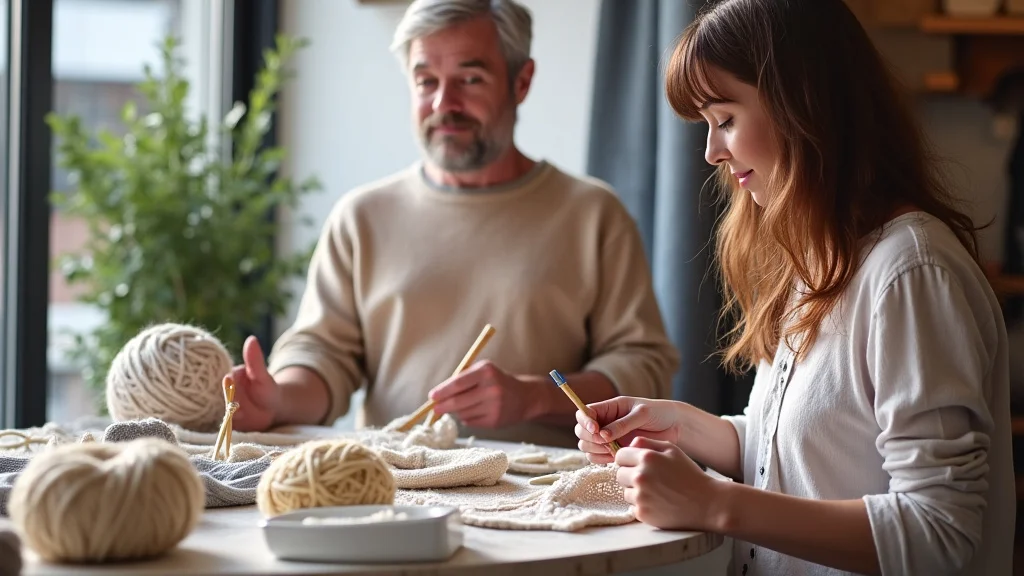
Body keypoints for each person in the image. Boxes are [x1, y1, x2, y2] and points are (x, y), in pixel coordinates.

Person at [575, 0, 1015, 575]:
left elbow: (939, 532)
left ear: (802, 104)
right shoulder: (820, 262)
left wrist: (713, 503)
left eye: (726, 119)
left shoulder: (910, 274)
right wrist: (682, 427)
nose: (711, 152)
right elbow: (815, 448)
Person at [225, 0, 680, 448]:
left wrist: (535, 398)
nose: (445, 102)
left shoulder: (593, 214)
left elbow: (643, 368)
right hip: (398, 486)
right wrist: (279, 399)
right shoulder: (361, 217)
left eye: (470, 78)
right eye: (426, 81)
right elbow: (323, 357)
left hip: (549, 493)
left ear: (521, 82)